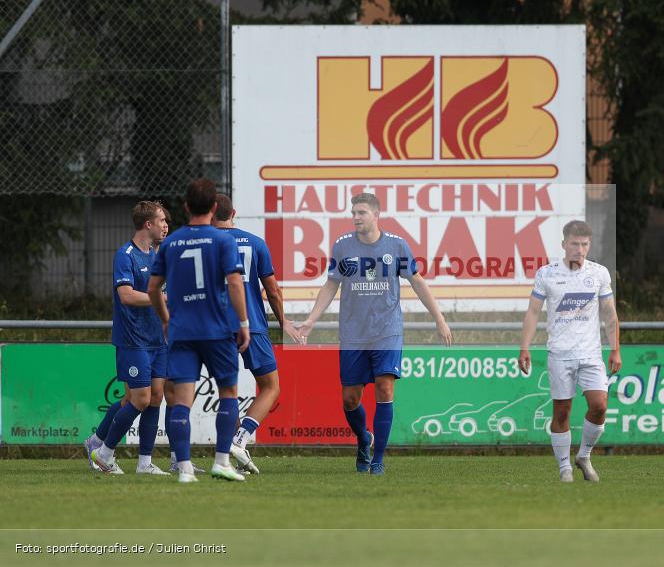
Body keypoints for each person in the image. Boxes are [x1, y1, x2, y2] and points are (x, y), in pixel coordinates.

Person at [296, 192, 452, 475]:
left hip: (387, 331)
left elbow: (416, 281)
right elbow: (332, 284)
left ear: (376, 215)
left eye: (361, 212)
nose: (355, 217)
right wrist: (310, 320)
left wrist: (439, 318)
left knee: (385, 387)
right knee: (350, 399)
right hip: (354, 333)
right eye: (353, 212)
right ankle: (363, 439)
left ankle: (378, 459)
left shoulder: (396, 245)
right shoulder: (343, 246)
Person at [148, 177, 251, 483]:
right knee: (229, 392)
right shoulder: (223, 240)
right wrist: (243, 323)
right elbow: (234, 282)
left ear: (185, 206)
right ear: (215, 207)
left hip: (181, 331)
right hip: (217, 330)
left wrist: (166, 319)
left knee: (181, 399)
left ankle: (185, 469)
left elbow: (154, 288)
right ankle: (221, 460)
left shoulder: (173, 242)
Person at [519, 220, 622, 483]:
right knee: (562, 412)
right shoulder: (546, 274)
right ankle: (565, 467)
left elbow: (610, 314)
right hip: (560, 354)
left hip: (591, 354)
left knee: (599, 406)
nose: (580, 249)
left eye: (584, 244)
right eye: (575, 244)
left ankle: (584, 455)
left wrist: (615, 349)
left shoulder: (599, 273)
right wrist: (525, 347)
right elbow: (533, 312)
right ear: (564, 244)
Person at [212, 193, 303, 474]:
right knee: (271, 386)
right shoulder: (255, 243)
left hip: (215, 326)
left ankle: (225, 455)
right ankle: (240, 441)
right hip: (252, 324)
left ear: (211, 212)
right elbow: (272, 290)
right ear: (234, 212)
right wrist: (283, 320)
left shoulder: (205, 243)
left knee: (228, 392)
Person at [85, 201, 170, 476]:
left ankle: (142, 462)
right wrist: (159, 298)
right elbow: (126, 295)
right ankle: (104, 453)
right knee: (140, 399)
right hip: (133, 339)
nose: (165, 225)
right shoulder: (126, 255)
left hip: (158, 339)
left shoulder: (158, 256)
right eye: (161, 221)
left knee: (152, 397)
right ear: (148, 225)